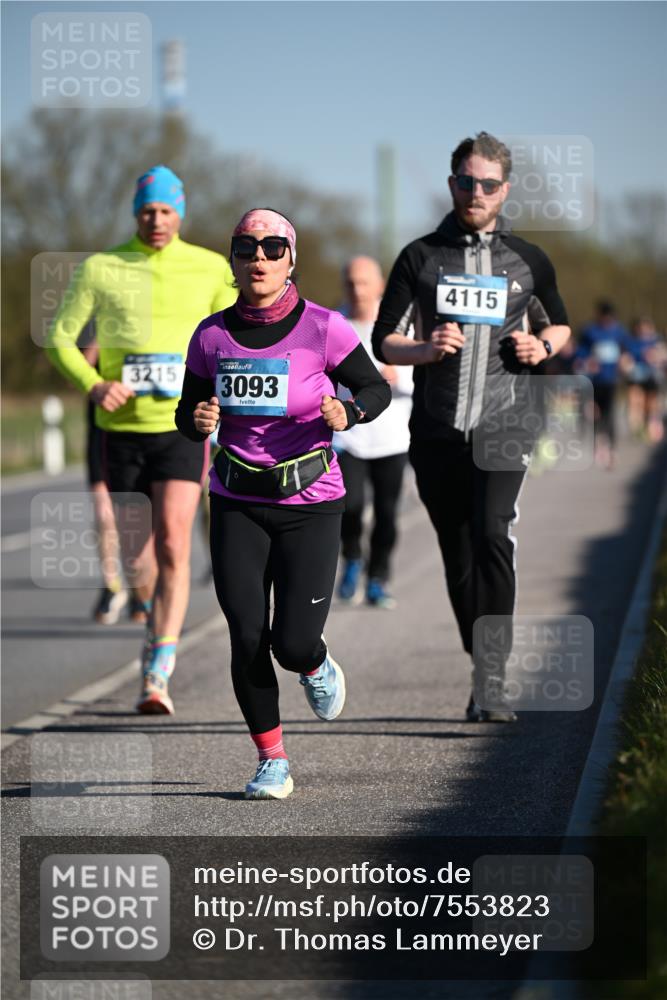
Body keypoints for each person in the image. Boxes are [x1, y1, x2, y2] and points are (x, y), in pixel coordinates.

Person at [175, 208, 390, 799]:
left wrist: (351, 411)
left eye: (273, 248)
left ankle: (315, 663)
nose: (259, 258)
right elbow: (188, 412)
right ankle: (272, 760)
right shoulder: (211, 336)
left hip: (310, 502)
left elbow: (375, 387)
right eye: (247, 248)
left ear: (291, 259)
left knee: (290, 644)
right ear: (233, 259)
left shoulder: (324, 327)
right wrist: (197, 419)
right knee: (246, 635)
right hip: (236, 501)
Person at [372, 132, 571, 722]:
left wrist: (542, 346)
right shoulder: (420, 257)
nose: (475, 192)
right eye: (466, 181)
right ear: (451, 183)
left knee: (491, 534)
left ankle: (492, 679)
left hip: (506, 420)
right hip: (437, 428)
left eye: (487, 184)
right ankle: (481, 663)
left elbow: (560, 324)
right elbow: (384, 339)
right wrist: (425, 348)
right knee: (458, 555)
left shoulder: (529, 258)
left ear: (504, 190)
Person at [46, 165, 237, 713]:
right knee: (139, 559)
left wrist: (224, 392)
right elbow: (59, 338)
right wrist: (94, 383)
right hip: (121, 434)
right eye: (148, 210)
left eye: (166, 210)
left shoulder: (209, 268)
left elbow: (237, 334)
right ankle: (154, 627)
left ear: (180, 213)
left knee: (175, 540)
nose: (156, 220)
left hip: (181, 428)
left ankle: (159, 666)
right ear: (136, 212)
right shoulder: (103, 267)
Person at [334, 256, 413, 609]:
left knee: (386, 513)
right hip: (348, 437)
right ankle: (352, 557)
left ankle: (378, 579)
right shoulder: (333, 324)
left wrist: (399, 376)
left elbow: (422, 374)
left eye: (364, 282)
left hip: (392, 437)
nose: (357, 290)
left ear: (380, 286)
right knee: (348, 506)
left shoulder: (399, 323)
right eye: (351, 282)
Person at [574, 301, 635, 469]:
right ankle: (597, 444)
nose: (607, 320)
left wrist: (625, 361)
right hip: (594, 380)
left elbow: (627, 351)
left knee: (610, 414)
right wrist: (587, 362)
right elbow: (580, 353)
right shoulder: (589, 331)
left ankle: (612, 449)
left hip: (611, 380)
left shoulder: (619, 331)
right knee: (595, 414)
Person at [624, 316, 666, 443]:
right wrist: (627, 364)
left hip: (652, 377)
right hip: (636, 377)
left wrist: (656, 356)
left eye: (646, 327)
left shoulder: (657, 340)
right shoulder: (630, 342)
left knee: (651, 405)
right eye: (641, 327)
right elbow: (625, 359)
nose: (643, 330)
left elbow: (663, 355)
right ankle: (637, 429)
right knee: (635, 401)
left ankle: (651, 427)